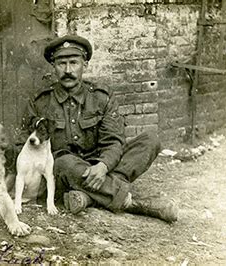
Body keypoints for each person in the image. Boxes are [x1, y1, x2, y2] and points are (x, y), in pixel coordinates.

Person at [16, 35, 179, 223]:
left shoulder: (102, 96)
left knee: (150, 139)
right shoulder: (40, 102)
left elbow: (114, 139)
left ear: (84, 65)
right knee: (65, 163)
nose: (68, 70)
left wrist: (103, 166)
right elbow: (24, 142)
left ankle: (89, 196)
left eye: (74, 62)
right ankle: (136, 204)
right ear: (53, 66)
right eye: (61, 63)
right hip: (65, 171)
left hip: (100, 164)